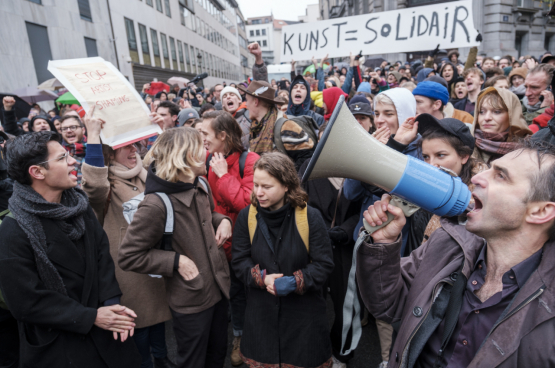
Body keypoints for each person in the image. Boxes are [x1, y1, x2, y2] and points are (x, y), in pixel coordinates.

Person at [357, 138, 555, 368]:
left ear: (541, 211)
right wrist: (384, 245)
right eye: (490, 169)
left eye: (501, 175)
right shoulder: (447, 243)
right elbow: (388, 306)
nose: (478, 178)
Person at [0, 131, 141, 367]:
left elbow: (101, 257)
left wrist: (111, 305)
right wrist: (92, 317)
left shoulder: (78, 205)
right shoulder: (12, 229)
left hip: (107, 331)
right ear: (37, 172)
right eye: (62, 158)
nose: (74, 161)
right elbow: (26, 303)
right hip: (60, 344)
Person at [118, 128, 232, 368]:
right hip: (191, 299)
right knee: (193, 362)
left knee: (217, 355)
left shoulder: (200, 183)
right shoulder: (155, 205)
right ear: (186, 155)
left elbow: (209, 215)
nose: (207, 149)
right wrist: (176, 261)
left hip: (219, 289)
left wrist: (223, 221)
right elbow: (129, 256)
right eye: (201, 145)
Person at [80, 111, 174, 368]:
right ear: (109, 153)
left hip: (153, 259)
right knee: (138, 324)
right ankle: (145, 363)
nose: (133, 150)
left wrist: (163, 128)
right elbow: (94, 185)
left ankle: (162, 358)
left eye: (135, 144)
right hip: (128, 269)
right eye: (125, 146)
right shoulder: (105, 183)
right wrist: (93, 136)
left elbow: (167, 162)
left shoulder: (144, 172)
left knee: (158, 320)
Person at [231, 152, 334, 368]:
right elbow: (239, 261)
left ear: (287, 185)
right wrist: (262, 278)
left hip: (304, 322)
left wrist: (295, 282)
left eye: (267, 186)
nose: (259, 192)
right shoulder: (246, 217)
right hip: (261, 321)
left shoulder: (310, 217)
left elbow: (324, 265)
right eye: (256, 184)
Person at [343, 88, 420, 368]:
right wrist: (369, 154)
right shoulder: (373, 143)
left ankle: (389, 359)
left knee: (390, 301)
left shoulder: (419, 149)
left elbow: (404, 193)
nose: (380, 121)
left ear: (407, 117)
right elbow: (350, 192)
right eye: (377, 113)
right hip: (367, 236)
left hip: (398, 242)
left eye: (389, 114)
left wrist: (390, 151)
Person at [200, 111, 259, 366]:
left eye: (205, 134)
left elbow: (248, 203)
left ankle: (253, 339)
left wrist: (224, 176)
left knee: (251, 294)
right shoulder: (206, 160)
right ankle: (239, 336)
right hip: (219, 246)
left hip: (248, 246)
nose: (201, 139)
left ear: (222, 136)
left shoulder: (251, 161)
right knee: (232, 295)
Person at [472, 87, 532, 165]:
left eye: (496, 112)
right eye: (482, 112)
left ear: (512, 115)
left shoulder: (529, 151)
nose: (487, 118)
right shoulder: (465, 146)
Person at [59, 115, 88, 188]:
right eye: (64, 128)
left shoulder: (95, 149)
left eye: (73, 127)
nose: (68, 131)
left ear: (83, 130)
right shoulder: (58, 155)